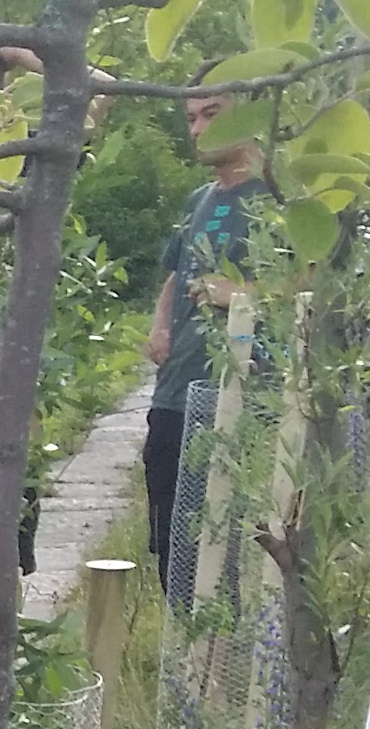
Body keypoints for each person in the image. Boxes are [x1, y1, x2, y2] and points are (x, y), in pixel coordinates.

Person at [143, 97, 266, 599]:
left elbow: (310, 288)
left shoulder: (277, 199)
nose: (196, 129)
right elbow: (177, 273)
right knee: (171, 543)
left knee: (223, 546)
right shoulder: (200, 200)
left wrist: (237, 295)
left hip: (240, 400)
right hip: (176, 395)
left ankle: (225, 664)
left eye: (211, 115)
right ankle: (183, 665)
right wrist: (160, 328)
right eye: (191, 118)